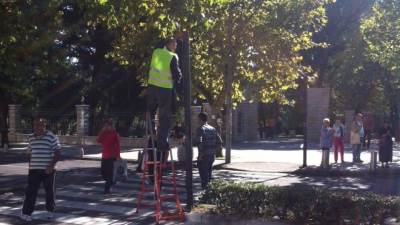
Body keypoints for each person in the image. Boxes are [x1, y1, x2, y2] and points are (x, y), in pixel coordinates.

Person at [20, 117, 61, 222]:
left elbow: (57, 152)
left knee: (49, 192)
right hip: (34, 169)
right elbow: (29, 152)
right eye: (35, 125)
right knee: (30, 192)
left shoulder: (51, 136)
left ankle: (50, 210)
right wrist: (30, 165)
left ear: (44, 125)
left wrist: (51, 166)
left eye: (40, 124)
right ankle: (27, 213)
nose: (37, 127)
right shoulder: (31, 138)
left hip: (48, 170)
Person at [147, 37, 182, 154]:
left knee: (150, 113)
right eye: (175, 44)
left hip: (152, 87)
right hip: (164, 89)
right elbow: (177, 75)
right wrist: (180, 79)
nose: (176, 46)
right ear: (170, 44)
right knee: (165, 118)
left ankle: (150, 137)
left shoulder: (156, 52)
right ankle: (162, 144)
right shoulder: (173, 56)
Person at [194, 112, 222, 189]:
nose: (197, 120)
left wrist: (200, 155)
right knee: (209, 173)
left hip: (204, 155)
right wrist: (214, 151)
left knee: (203, 175)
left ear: (200, 119)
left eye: (198, 119)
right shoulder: (212, 129)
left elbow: (200, 142)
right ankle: (209, 190)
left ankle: (205, 191)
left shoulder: (200, 129)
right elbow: (219, 141)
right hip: (212, 155)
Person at [97, 119, 121, 194]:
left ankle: (107, 189)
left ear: (111, 126)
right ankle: (111, 182)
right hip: (104, 156)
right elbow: (98, 140)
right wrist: (102, 131)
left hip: (112, 156)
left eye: (108, 126)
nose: (106, 127)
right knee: (103, 173)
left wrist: (118, 156)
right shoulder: (104, 133)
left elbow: (118, 146)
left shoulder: (115, 134)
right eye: (105, 126)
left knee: (109, 173)